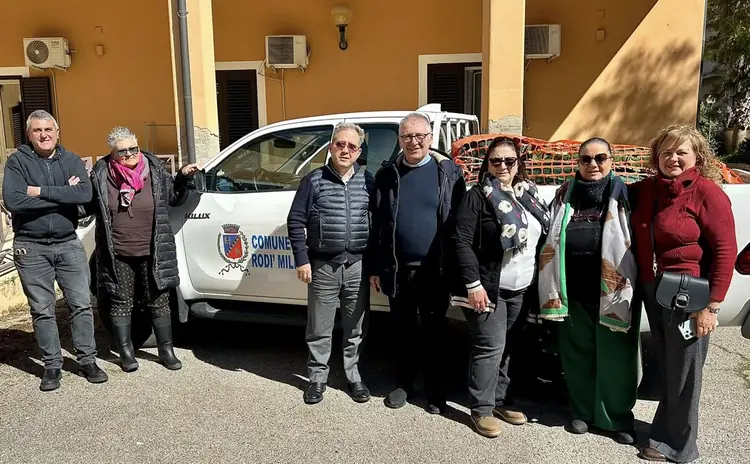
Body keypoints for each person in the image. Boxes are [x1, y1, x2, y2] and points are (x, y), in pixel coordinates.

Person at [630, 124, 736, 463]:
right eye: (666, 152)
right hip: (655, 292)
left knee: (686, 371)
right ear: (656, 157)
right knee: (667, 365)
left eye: (681, 152)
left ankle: (679, 446)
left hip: (688, 298)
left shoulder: (708, 193)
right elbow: (610, 190)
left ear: (697, 157)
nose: (673, 158)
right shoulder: (649, 189)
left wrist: (711, 307)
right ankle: (664, 432)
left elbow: (725, 252)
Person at [538, 137, 639, 445]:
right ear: (577, 163)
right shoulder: (563, 195)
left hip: (613, 292)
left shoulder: (625, 195)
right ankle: (581, 412)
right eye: (586, 159)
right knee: (576, 354)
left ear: (611, 161)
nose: (593, 164)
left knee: (616, 359)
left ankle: (616, 417)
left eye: (600, 158)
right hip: (572, 291)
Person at [450, 137, 550, 437]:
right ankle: (481, 408)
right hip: (487, 287)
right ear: (487, 164)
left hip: (522, 287)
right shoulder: (477, 196)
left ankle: (501, 400)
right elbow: (461, 242)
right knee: (490, 346)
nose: (503, 166)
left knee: (510, 345)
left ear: (518, 163)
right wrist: (474, 285)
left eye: (509, 160)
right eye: (496, 161)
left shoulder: (528, 194)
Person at [2, 110, 108, 391]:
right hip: (31, 246)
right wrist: (62, 193)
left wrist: (37, 191)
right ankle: (51, 365)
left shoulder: (71, 160)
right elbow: (14, 201)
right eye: (37, 130)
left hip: (68, 242)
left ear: (57, 132)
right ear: (29, 134)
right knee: (42, 310)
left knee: (81, 304)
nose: (44, 135)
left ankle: (87, 360)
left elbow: (84, 194)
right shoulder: (17, 162)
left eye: (48, 129)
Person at [370, 112, 466, 413]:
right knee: (403, 331)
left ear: (430, 138)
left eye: (419, 136)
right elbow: (377, 224)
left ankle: (435, 390)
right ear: (400, 140)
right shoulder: (387, 175)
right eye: (407, 137)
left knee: (435, 332)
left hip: (435, 270)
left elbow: (460, 224)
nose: (414, 142)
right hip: (397, 269)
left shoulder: (448, 174)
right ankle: (404, 384)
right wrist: (376, 267)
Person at [82, 127, 199, 372]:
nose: (129, 154)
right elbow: (88, 205)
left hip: (153, 248)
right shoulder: (101, 174)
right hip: (117, 251)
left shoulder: (154, 169)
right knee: (120, 301)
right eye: (122, 151)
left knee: (159, 299)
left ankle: (166, 350)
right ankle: (126, 352)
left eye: (133, 149)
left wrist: (182, 176)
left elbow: (173, 197)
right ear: (113, 154)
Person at [287, 123, 375, 405]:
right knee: (319, 328)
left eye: (351, 146)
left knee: (356, 327)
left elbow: (378, 223)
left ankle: (354, 376)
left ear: (358, 152)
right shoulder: (313, 181)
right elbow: (295, 220)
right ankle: (317, 379)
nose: (345, 150)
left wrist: (375, 266)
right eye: (340, 144)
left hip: (358, 266)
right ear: (330, 147)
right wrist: (302, 259)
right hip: (323, 266)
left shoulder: (367, 181)